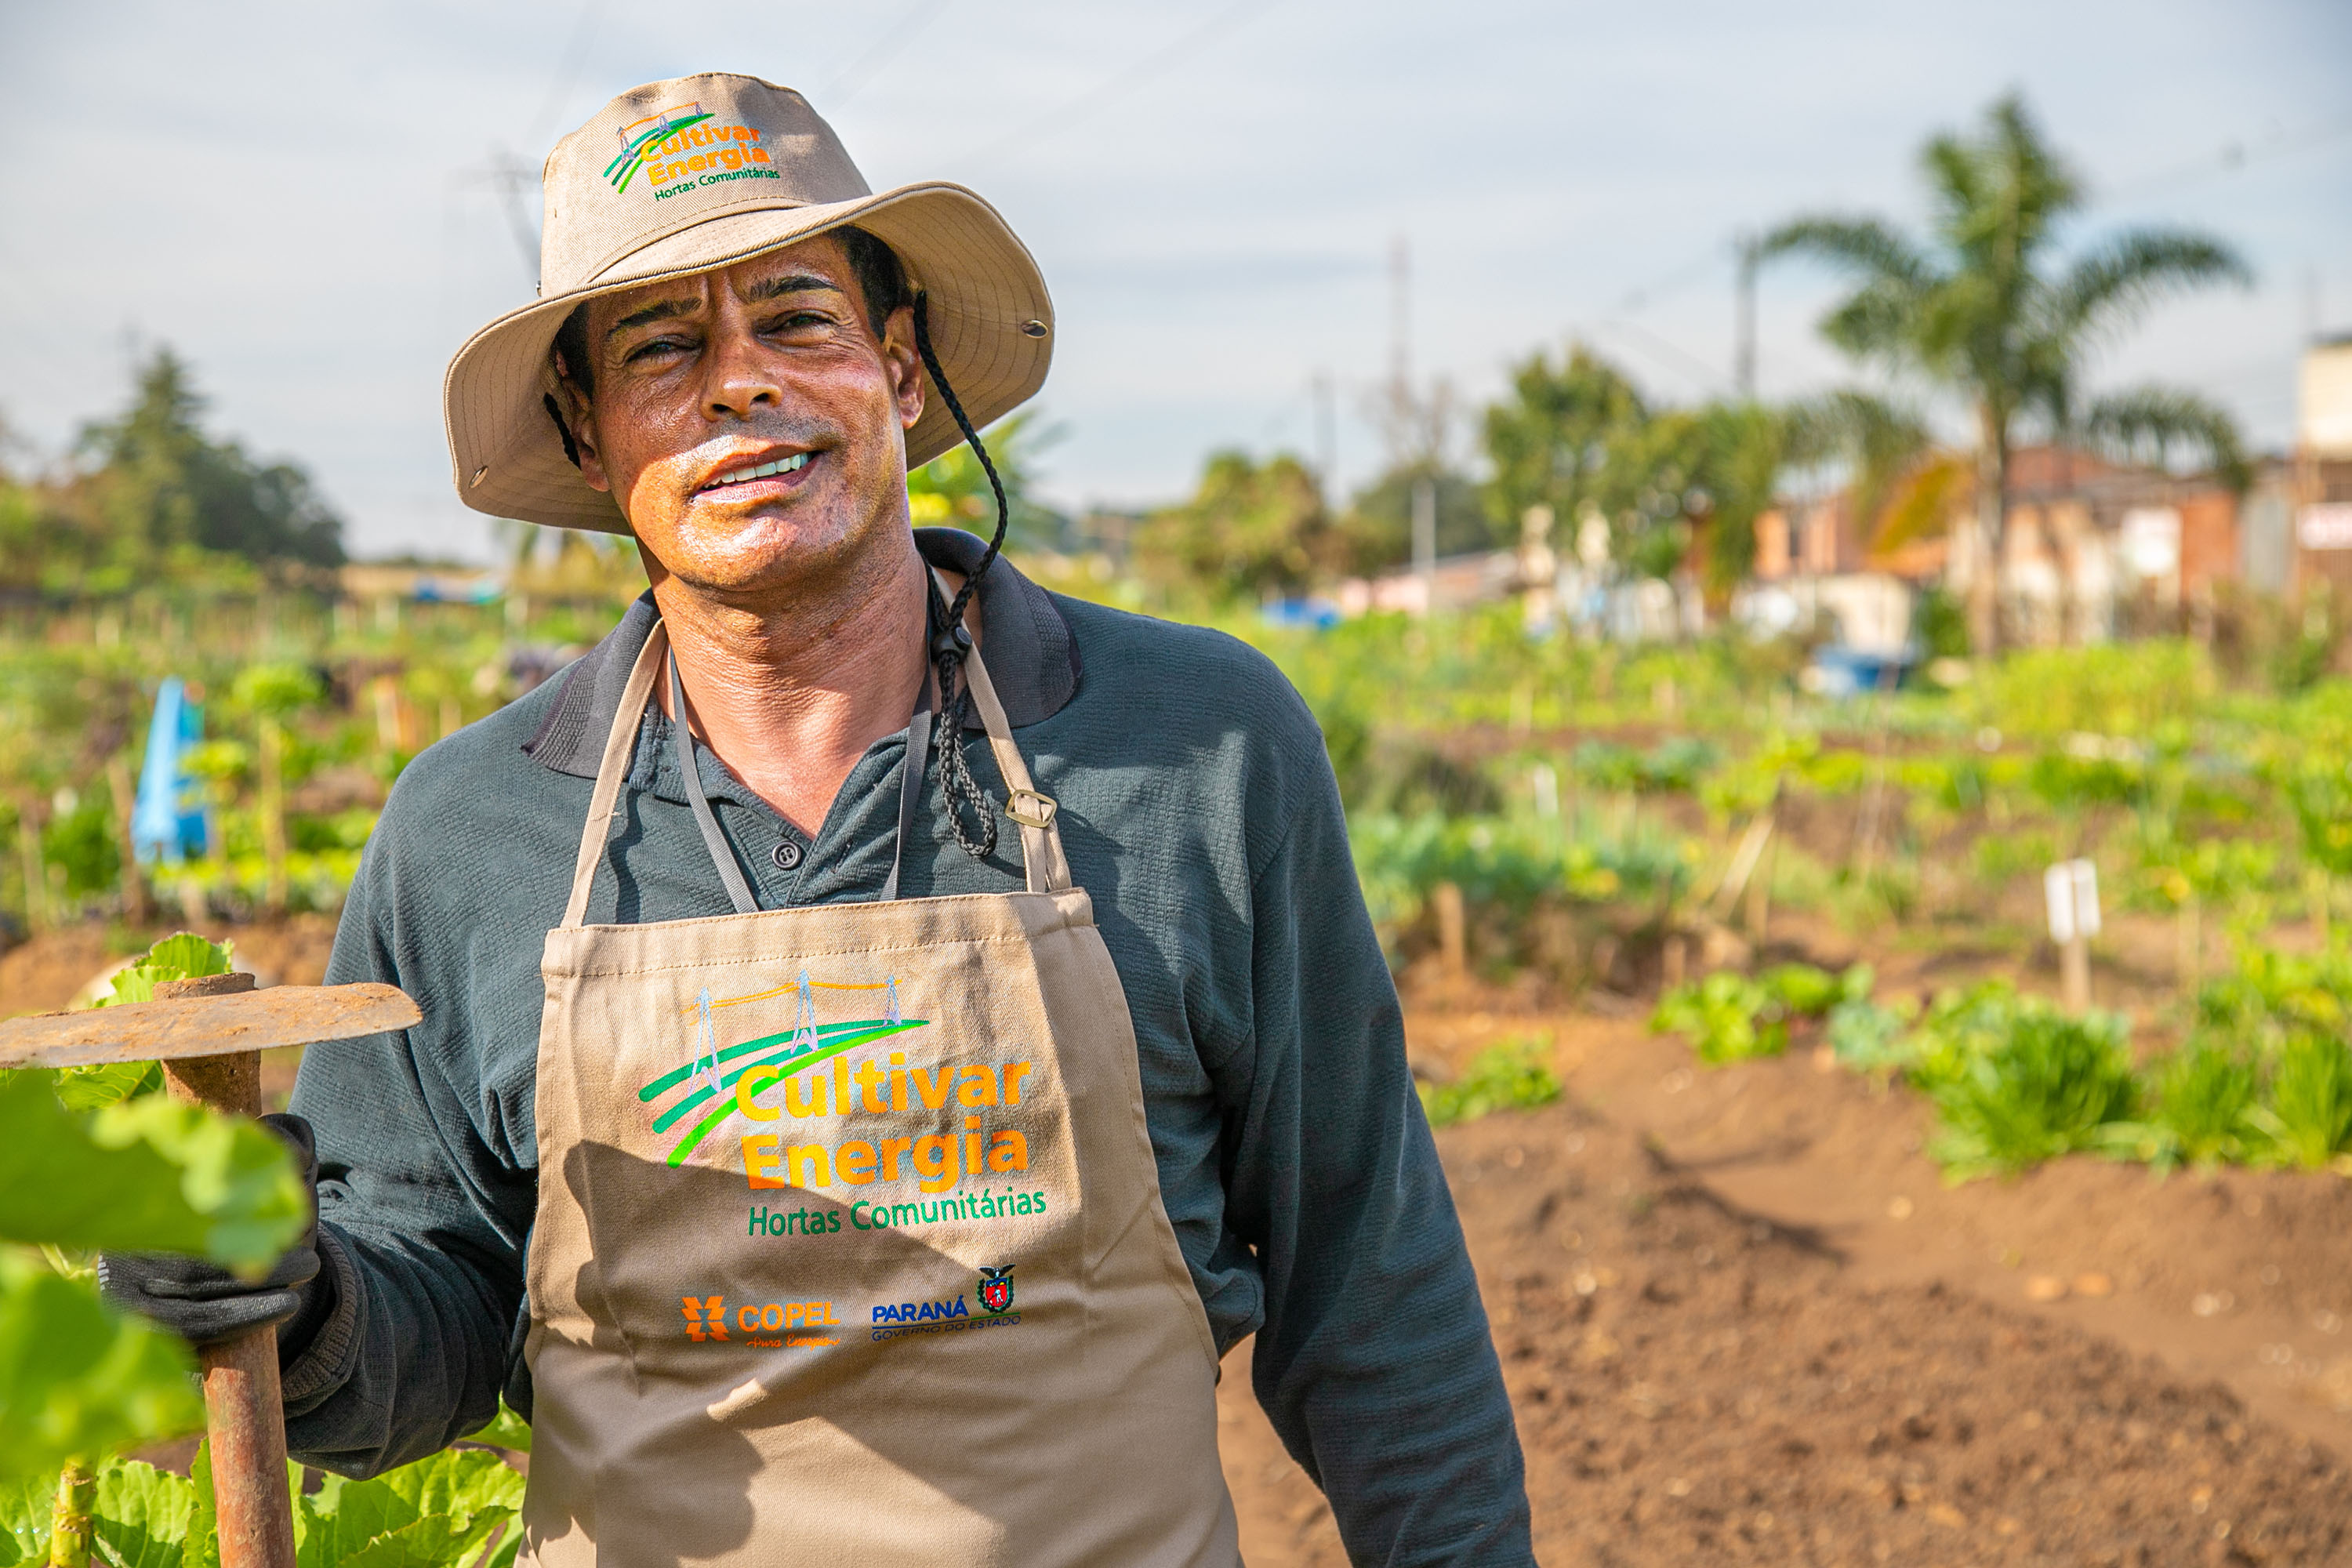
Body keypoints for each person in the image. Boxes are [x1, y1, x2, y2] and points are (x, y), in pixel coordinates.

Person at [104, 73, 1531, 1565]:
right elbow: (441, 1314)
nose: (741, 384)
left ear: (902, 375)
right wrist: (303, 1303)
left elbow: (1370, 1287)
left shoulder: (1195, 750)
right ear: (589, 438)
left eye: (796, 320)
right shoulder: (472, 828)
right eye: (664, 348)